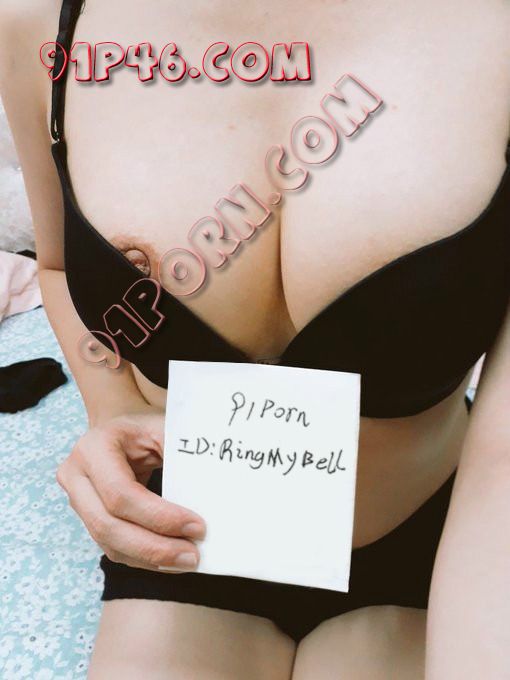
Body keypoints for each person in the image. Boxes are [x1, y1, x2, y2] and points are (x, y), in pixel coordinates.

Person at [1, 0, 509, 677]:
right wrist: (112, 408)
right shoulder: (43, 20)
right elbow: (60, 266)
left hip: (436, 534)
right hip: (188, 533)